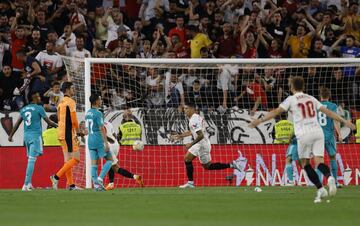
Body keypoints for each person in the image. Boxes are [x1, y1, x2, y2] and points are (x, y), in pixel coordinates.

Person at [249, 76, 355, 203]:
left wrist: (259, 120)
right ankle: (330, 178)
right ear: (303, 87)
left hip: (304, 134)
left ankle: (321, 188)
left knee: (304, 163)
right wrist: (345, 122)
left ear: (292, 87)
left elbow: (276, 112)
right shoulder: (311, 98)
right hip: (318, 132)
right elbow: (328, 113)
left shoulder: (291, 99)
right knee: (319, 162)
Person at [171, 103, 243, 188]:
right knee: (208, 166)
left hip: (201, 143)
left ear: (192, 109)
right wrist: (180, 135)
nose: (184, 110)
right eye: (184, 108)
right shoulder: (196, 117)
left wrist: (190, 144)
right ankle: (231, 164)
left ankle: (190, 183)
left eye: (186, 108)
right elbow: (192, 132)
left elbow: (200, 135)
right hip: (204, 143)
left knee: (187, 158)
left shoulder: (193, 120)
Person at [8, 92, 57, 191]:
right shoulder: (39, 108)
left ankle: (29, 183)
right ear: (34, 98)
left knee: (31, 159)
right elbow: (48, 122)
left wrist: (10, 135)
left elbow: (17, 124)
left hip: (26, 137)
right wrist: (59, 125)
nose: (40, 97)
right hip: (35, 136)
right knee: (32, 160)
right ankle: (25, 185)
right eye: (38, 96)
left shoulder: (23, 109)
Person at [50, 82, 85, 190]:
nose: (73, 90)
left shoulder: (61, 102)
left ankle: (71, 185)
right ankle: (56, 177)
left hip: (60, 132)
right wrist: (78, 131)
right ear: (67, 90)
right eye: (72, 88)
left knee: (67, 161)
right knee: (76, 158)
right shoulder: (70, 101)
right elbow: (74, 119)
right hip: (67, 134)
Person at [104, 120, 144, 190]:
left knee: (115, 167)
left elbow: (102, 134)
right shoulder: (108, 123)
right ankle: (111, 183)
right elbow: (114, 135)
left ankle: (135, 177)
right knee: (111, 164)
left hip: (108, 145)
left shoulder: (97, 124)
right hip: (115, 145)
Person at [85, 94, 113, 191]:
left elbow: (87, 128)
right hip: (98, 139)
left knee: (94, 164)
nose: (101, 101)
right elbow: (101, 128)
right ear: (96, 101)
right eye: (100, 99)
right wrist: (106, 143)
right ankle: (100, 179)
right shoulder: (98, 113)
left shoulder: (88, 113)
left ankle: (96, 186)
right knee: (110, 160)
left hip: (90, 140)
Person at [317, 87, 342, 186]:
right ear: (329, 96)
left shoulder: (316, 106)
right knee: (332, 157)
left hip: (318, 137)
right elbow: (336, 121)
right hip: (329, 136)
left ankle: (318, 183)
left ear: (320, 95)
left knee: (319, 160)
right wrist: (339, 134)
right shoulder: (333, 106)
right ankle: (335, 182)